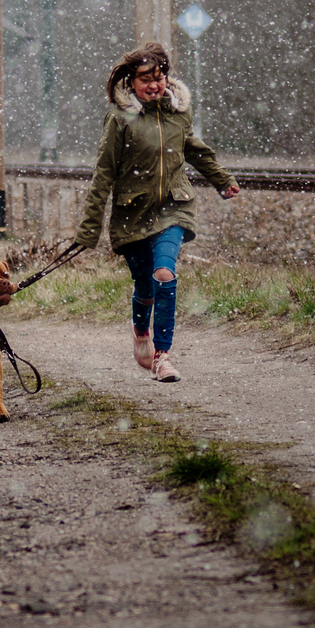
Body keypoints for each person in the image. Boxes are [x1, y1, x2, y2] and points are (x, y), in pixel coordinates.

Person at [73, 42, 239, 382]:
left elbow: (191, 147)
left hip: (173, 209)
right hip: (132, 215)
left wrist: (222, 180)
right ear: (130, 82)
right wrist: (89, 230)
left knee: (164, 273)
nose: (154, 85)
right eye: (145, 79)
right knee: (145, 288)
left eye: (159, 77)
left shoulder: (178, 113)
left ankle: (164, 355)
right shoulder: (120, 120)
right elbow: (103, 174)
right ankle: (140, 331)